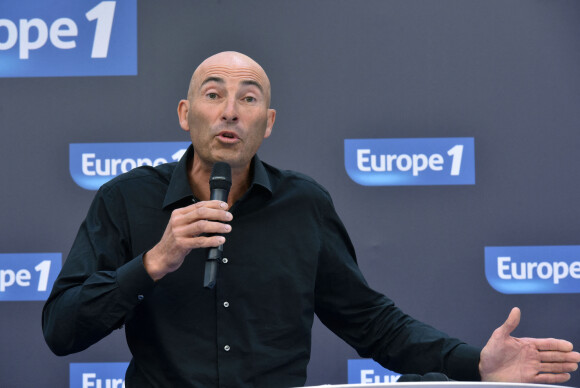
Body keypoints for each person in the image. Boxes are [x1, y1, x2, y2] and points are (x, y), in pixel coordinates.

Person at [42, 51, 580, 387]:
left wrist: (475, 365)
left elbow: (370, 321)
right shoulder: (125, 200)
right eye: (214, 94)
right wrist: (153, 262)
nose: (230, 110)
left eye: (248, 98)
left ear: (267, 123)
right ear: (186, 114)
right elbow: (62, 329)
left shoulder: (304, 205)